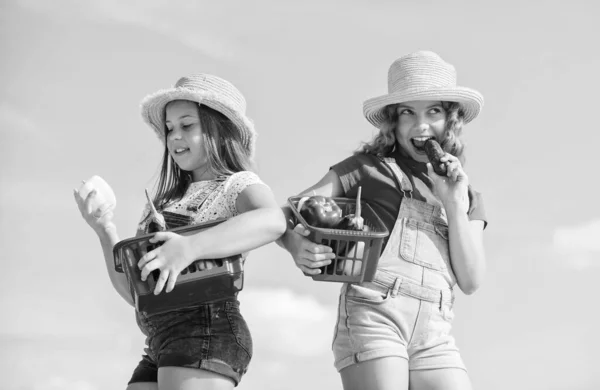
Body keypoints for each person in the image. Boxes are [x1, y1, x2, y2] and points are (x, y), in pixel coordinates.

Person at [278, 51, 487, 390]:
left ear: (450, 119)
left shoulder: (469, 197)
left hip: (435, 332)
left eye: (433, 111)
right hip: (374, 315)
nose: (421, 125)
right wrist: (293, 243)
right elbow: (286, 214)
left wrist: (452, 202)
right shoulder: (368, 168)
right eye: (408, 112)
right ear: (393, 121)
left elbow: (471, 281)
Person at [74, 74, 286, 390]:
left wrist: (188, 247)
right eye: (170, 128)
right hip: (158, 341)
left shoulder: (236, 185)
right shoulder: (161, 204)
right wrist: (105, 229)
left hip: (207, 330)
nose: (174, 136)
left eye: (187, 126)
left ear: (220, 130)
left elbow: (272, 220)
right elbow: (138, 294)